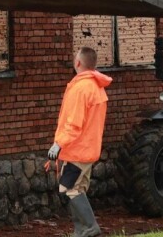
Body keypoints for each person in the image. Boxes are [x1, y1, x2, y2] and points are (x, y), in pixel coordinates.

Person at [47, 47, 112, 237]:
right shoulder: (96, 87)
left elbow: (73, 124)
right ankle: (81, 230)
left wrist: (58, 144)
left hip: (77, 150)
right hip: (89, 149)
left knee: (69, 187)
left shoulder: (81, 88)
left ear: (77, 63)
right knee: (78, 188)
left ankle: (89, 227)